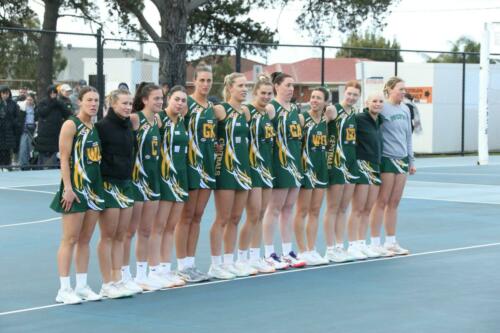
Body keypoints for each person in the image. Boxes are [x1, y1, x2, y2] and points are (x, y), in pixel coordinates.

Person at [50, 86, 104, 304]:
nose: (93, 104)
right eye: (89, 100)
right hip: (76, 189)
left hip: (93, 190)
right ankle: (64, 288)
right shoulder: (71, 124)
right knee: (70, 239)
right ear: (79, 102)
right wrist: (68, 188)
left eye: (96, 100)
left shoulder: (94, 127)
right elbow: (64, 159)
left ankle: (82, 286)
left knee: (85, 240)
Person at [95, 89, 140, 298]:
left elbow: (133, 152)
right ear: (113, 103)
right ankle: (107, 282)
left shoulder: (129, 125)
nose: (128, 107)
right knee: (108, 236)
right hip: (109, 185)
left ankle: (119, 279)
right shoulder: (102, 127)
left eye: (130, 103)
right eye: (124, 103)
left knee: (122, 235)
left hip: (125, 184)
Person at [208, 73, 254, 279]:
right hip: (225, 169)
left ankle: (229, 261)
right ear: (230, 87)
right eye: (241, 86)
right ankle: (215, 264)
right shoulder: (219, 110)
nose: (245, 89)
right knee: (223, 218)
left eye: (246, 86)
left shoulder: (245, 112)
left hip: (243, 169)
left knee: (236, 218)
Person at [174, 63, 215, 282]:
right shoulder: (186, 104)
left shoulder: (212, 107)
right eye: (202, 80)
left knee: (198, 216)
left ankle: (191, 263)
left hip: (207, 166)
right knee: (186, 216)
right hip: (189, 165)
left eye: (209, 80)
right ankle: (181, 265)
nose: (206, 84)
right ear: (194, 81)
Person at [262, 71, 306, 269]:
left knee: (289, 208)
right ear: (276, 86)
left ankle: (287, 251)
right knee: (274, 209)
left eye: (293, 85)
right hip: (279, 164)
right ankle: (269, 252)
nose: (291, 89)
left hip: (295, 164)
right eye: (287, 85)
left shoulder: (295, 109)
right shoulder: (271, 108)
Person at [147, 85, 189, 288]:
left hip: (180, 179)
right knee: (159, 226)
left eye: (183, 100)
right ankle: (153, 270)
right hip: (163, 178)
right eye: (176, 99)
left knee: (171, 226)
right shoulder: (159, 120)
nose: (180, 103)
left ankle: (165, 268)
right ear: (168, 99)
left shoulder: (182, 121)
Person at [123, 83, 163, 291]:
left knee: (146, 230)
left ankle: (141, 274)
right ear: (145, 100)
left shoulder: (157, 120)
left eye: (161, 98)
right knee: (129, 231)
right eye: (156, 98)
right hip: (136, 180)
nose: (160, 102)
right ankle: (123, 274)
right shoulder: (135, 119)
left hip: (153, 180)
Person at [370, 77, 416, 256]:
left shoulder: (405, 109)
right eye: (400, 89)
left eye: (404, 89)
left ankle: (391, 242)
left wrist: (411, 160)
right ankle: (375, 242)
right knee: (381, 201)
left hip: (402, 160)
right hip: (387, 159)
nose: (403, 92)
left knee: (394, 202)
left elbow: (408, 136)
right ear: (389, 90)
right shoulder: (382, 107)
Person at [236, 74, 276, 274]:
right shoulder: (246, 111)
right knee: (252, 214)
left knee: (260, 215)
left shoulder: (269, 113)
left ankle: (255, 255)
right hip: (252, 168)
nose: (267, 97)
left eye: (270, 93)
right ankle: (242, 258)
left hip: (266, 168)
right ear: (255, 93)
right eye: (263, 93)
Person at [324, 80, 362, 262]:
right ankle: (330, 248)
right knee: (332, 207)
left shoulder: (355, 113)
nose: (352, 97)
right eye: (349, 93)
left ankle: (340, 246)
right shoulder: (333, 110)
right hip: (335, 163)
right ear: (343, 92)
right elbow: (318, 126)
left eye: (355, 95)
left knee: (343, 208)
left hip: (350, 163)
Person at [345, 93, 386, 260]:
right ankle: (352, 245)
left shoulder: (380, 120)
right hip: (361, 165)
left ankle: (362, 243)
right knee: (358, 208)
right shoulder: (359, 118)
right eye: (374, 101)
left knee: (368, 208)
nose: (377, 104)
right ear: (367, 103)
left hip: (375, 165)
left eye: (380, 101)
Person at [293, 87, 331, 266]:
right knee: (302, 211)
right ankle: (302, 251)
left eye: (318, 98)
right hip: (306, 168)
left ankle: (311, 248)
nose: (314, 100)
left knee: (315, 211)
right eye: (313, 97)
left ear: (325, 102)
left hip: (321, 168)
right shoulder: (302, 118)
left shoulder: (326, 119)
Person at [35, 85, 71, 167]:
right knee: (42, 154)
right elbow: (41, 113)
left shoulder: (59, 103)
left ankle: (53, 168)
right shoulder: (43, 102)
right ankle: (40, 168)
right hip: (44, 134)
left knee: (55, 154)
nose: (52, 94)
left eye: (54, 92)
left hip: (55, 133)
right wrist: (51, 104)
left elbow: (68, 114)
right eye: (51, 93)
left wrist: (59, 104)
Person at [0, 85, 19, 167]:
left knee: (7, 152)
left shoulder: (13, 104)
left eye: (7, 93)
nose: (5, 95)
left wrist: (13, 123)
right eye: (3, 93)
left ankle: (7, 167)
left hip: (9, 132)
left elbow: (16, 117)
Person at [17, 93, 37, 169]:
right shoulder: (22, 108)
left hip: (33, 131)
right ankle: (23, 165)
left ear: (34, 100)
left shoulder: (36, 108)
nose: (29, 101)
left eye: (30, 100)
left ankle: (32, 165)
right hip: (25, 130)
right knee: (23, 148)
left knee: (31, 149)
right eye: (28, 99)